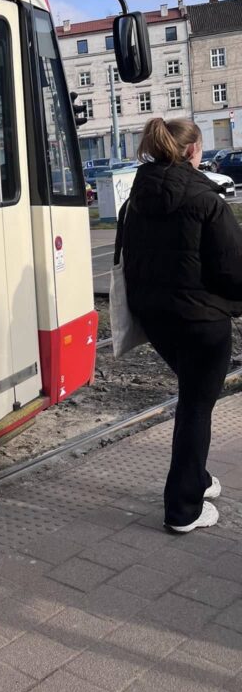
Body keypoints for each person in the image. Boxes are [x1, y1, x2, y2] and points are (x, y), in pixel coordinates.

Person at [121, 116, 242, 533]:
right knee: (195, 406)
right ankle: (183, 509)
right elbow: (233, 271)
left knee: (193, 397)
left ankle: (199, 479)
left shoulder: (134, 199)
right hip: (202, 321)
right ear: (193, 151)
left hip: (157, 319)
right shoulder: (207, 200)